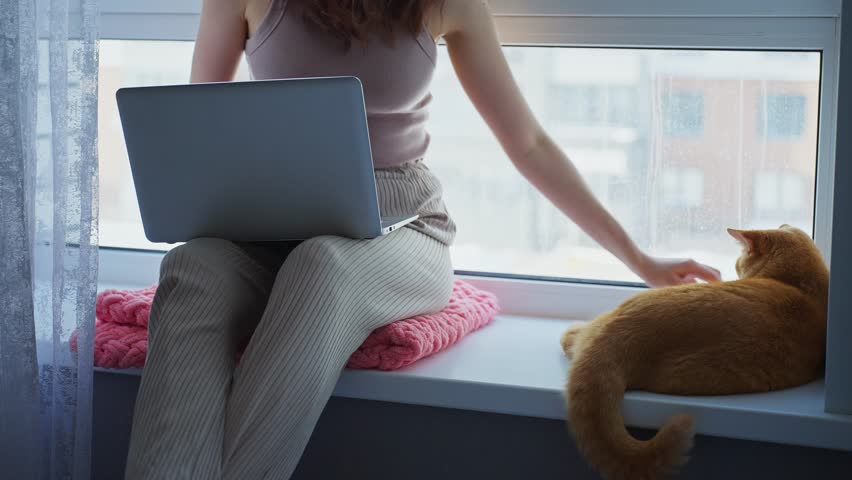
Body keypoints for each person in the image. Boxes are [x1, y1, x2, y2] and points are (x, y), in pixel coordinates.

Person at [124, 0, 722, 478]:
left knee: (321, 266)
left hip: (404, 229)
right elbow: (197, 127)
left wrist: (639, 258)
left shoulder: (447, 3)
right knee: (192, 268)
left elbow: (529, 144)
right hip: (270, 224)